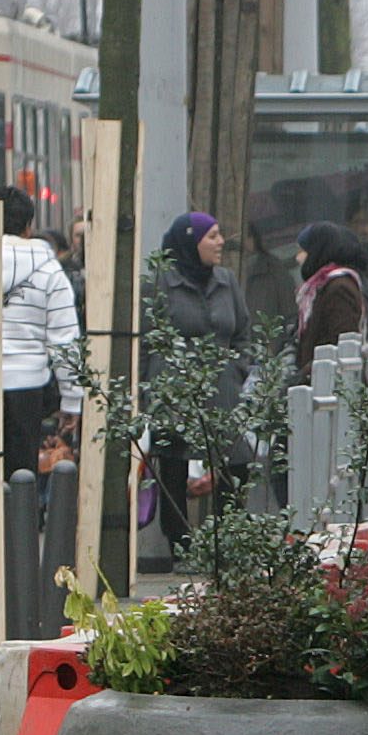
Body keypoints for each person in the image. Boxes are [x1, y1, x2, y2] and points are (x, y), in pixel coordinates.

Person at [152, 211, 249, 548]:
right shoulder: (162, 282)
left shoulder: (226, 280)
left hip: (224, 391)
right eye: (212, 236)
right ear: (191, 242)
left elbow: (242, 334)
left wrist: (238, 369)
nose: (220, 242)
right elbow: (150, 340)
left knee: (236, 465)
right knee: (175, 468)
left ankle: (227, 545)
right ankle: (181, 547)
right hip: (179, 393)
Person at [0, 188, 82, 478]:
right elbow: (64, 337)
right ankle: (20, 523)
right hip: (29, 386)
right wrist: (71, 399)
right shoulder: (50, 271)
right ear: (29, 226)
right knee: (22, 475)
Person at [293, 222, 368, 382]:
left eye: (303, 251)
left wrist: (303, 376)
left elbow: (341, 343)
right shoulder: (320, 288)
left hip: (331, 389)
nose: (298, 258)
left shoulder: (339, 289)